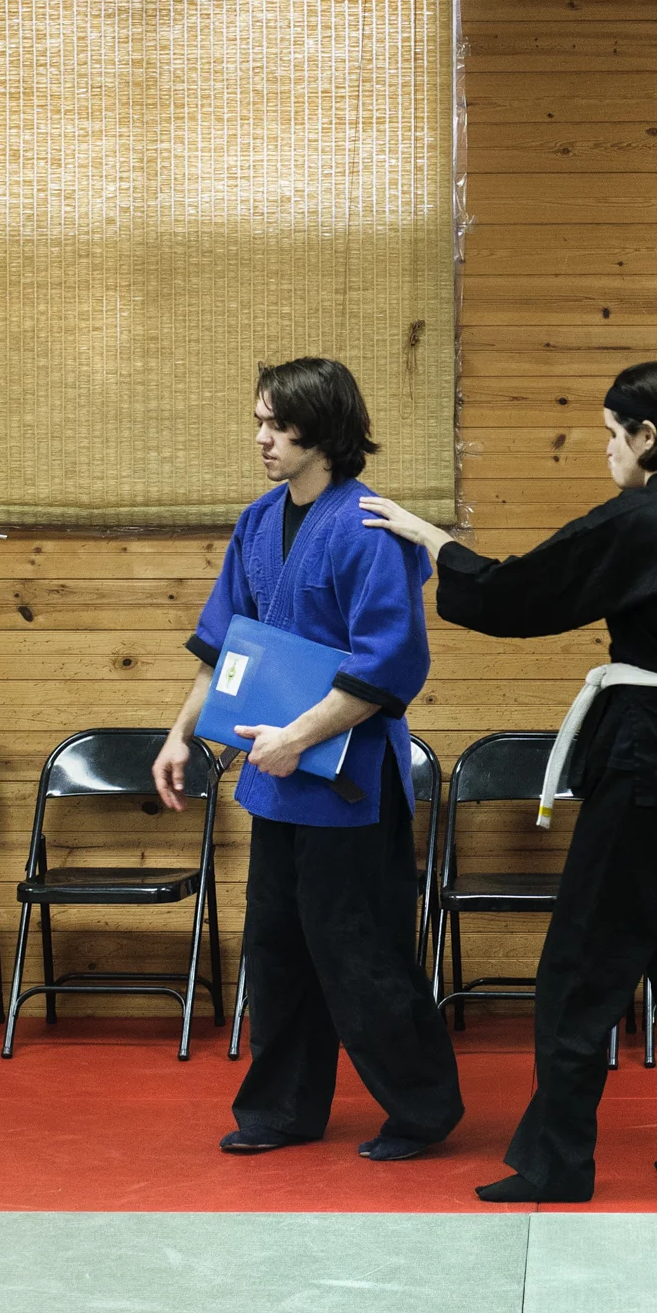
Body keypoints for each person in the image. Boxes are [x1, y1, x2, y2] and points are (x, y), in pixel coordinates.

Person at [359, 360, 657, 1204]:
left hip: (645, 751)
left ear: (648, 437)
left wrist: (432, 540)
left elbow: (516, 595)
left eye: (613, 434)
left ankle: (555, 1162)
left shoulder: (642, 519)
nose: (607, 451)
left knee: (583, 960)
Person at [153, 358, 464, 1162]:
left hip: (350, 780)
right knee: (279, 948)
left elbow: (389, 665)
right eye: (257, 422)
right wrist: (179, 733)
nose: (260, 439)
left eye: (274, 424)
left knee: (361, 950)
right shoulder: (257, 522)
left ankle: (421, 1109)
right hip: (275, 778)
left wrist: (300, 736)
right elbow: (222, 646)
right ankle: (284, 1108)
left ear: (319, 429)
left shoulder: (370, 528)